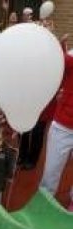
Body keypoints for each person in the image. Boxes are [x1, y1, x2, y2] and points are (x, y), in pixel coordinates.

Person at [39, 34, 73, 195]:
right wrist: (56, 43)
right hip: (63, 125)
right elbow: (55, 62)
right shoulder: (70, 58)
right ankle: (45, 200)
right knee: (51, 169)